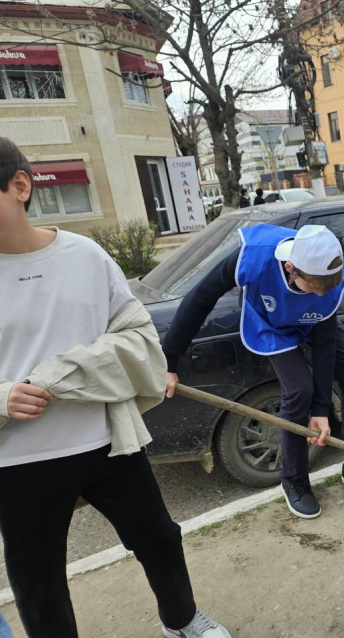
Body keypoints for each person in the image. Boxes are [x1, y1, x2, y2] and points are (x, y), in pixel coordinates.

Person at [0, 138, 230, 638]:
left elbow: (138, 336)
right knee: (37, 581)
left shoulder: (84, 256)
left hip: (105, 441)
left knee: (159, 539)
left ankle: (182, 620)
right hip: (16, 462)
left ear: (19, 186)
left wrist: (60, 375)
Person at [162, 224, 344, 519]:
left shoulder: (329, 278)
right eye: (313, 287)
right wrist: (169, 360)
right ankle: (294, 479)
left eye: (324, 289)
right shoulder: (253, 258)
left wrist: (321, 410)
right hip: (272, 323)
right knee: (299, 389)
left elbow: (325, 345)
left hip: (314, 320)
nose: (319, 293)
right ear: (291, 269)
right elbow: (200, 299)